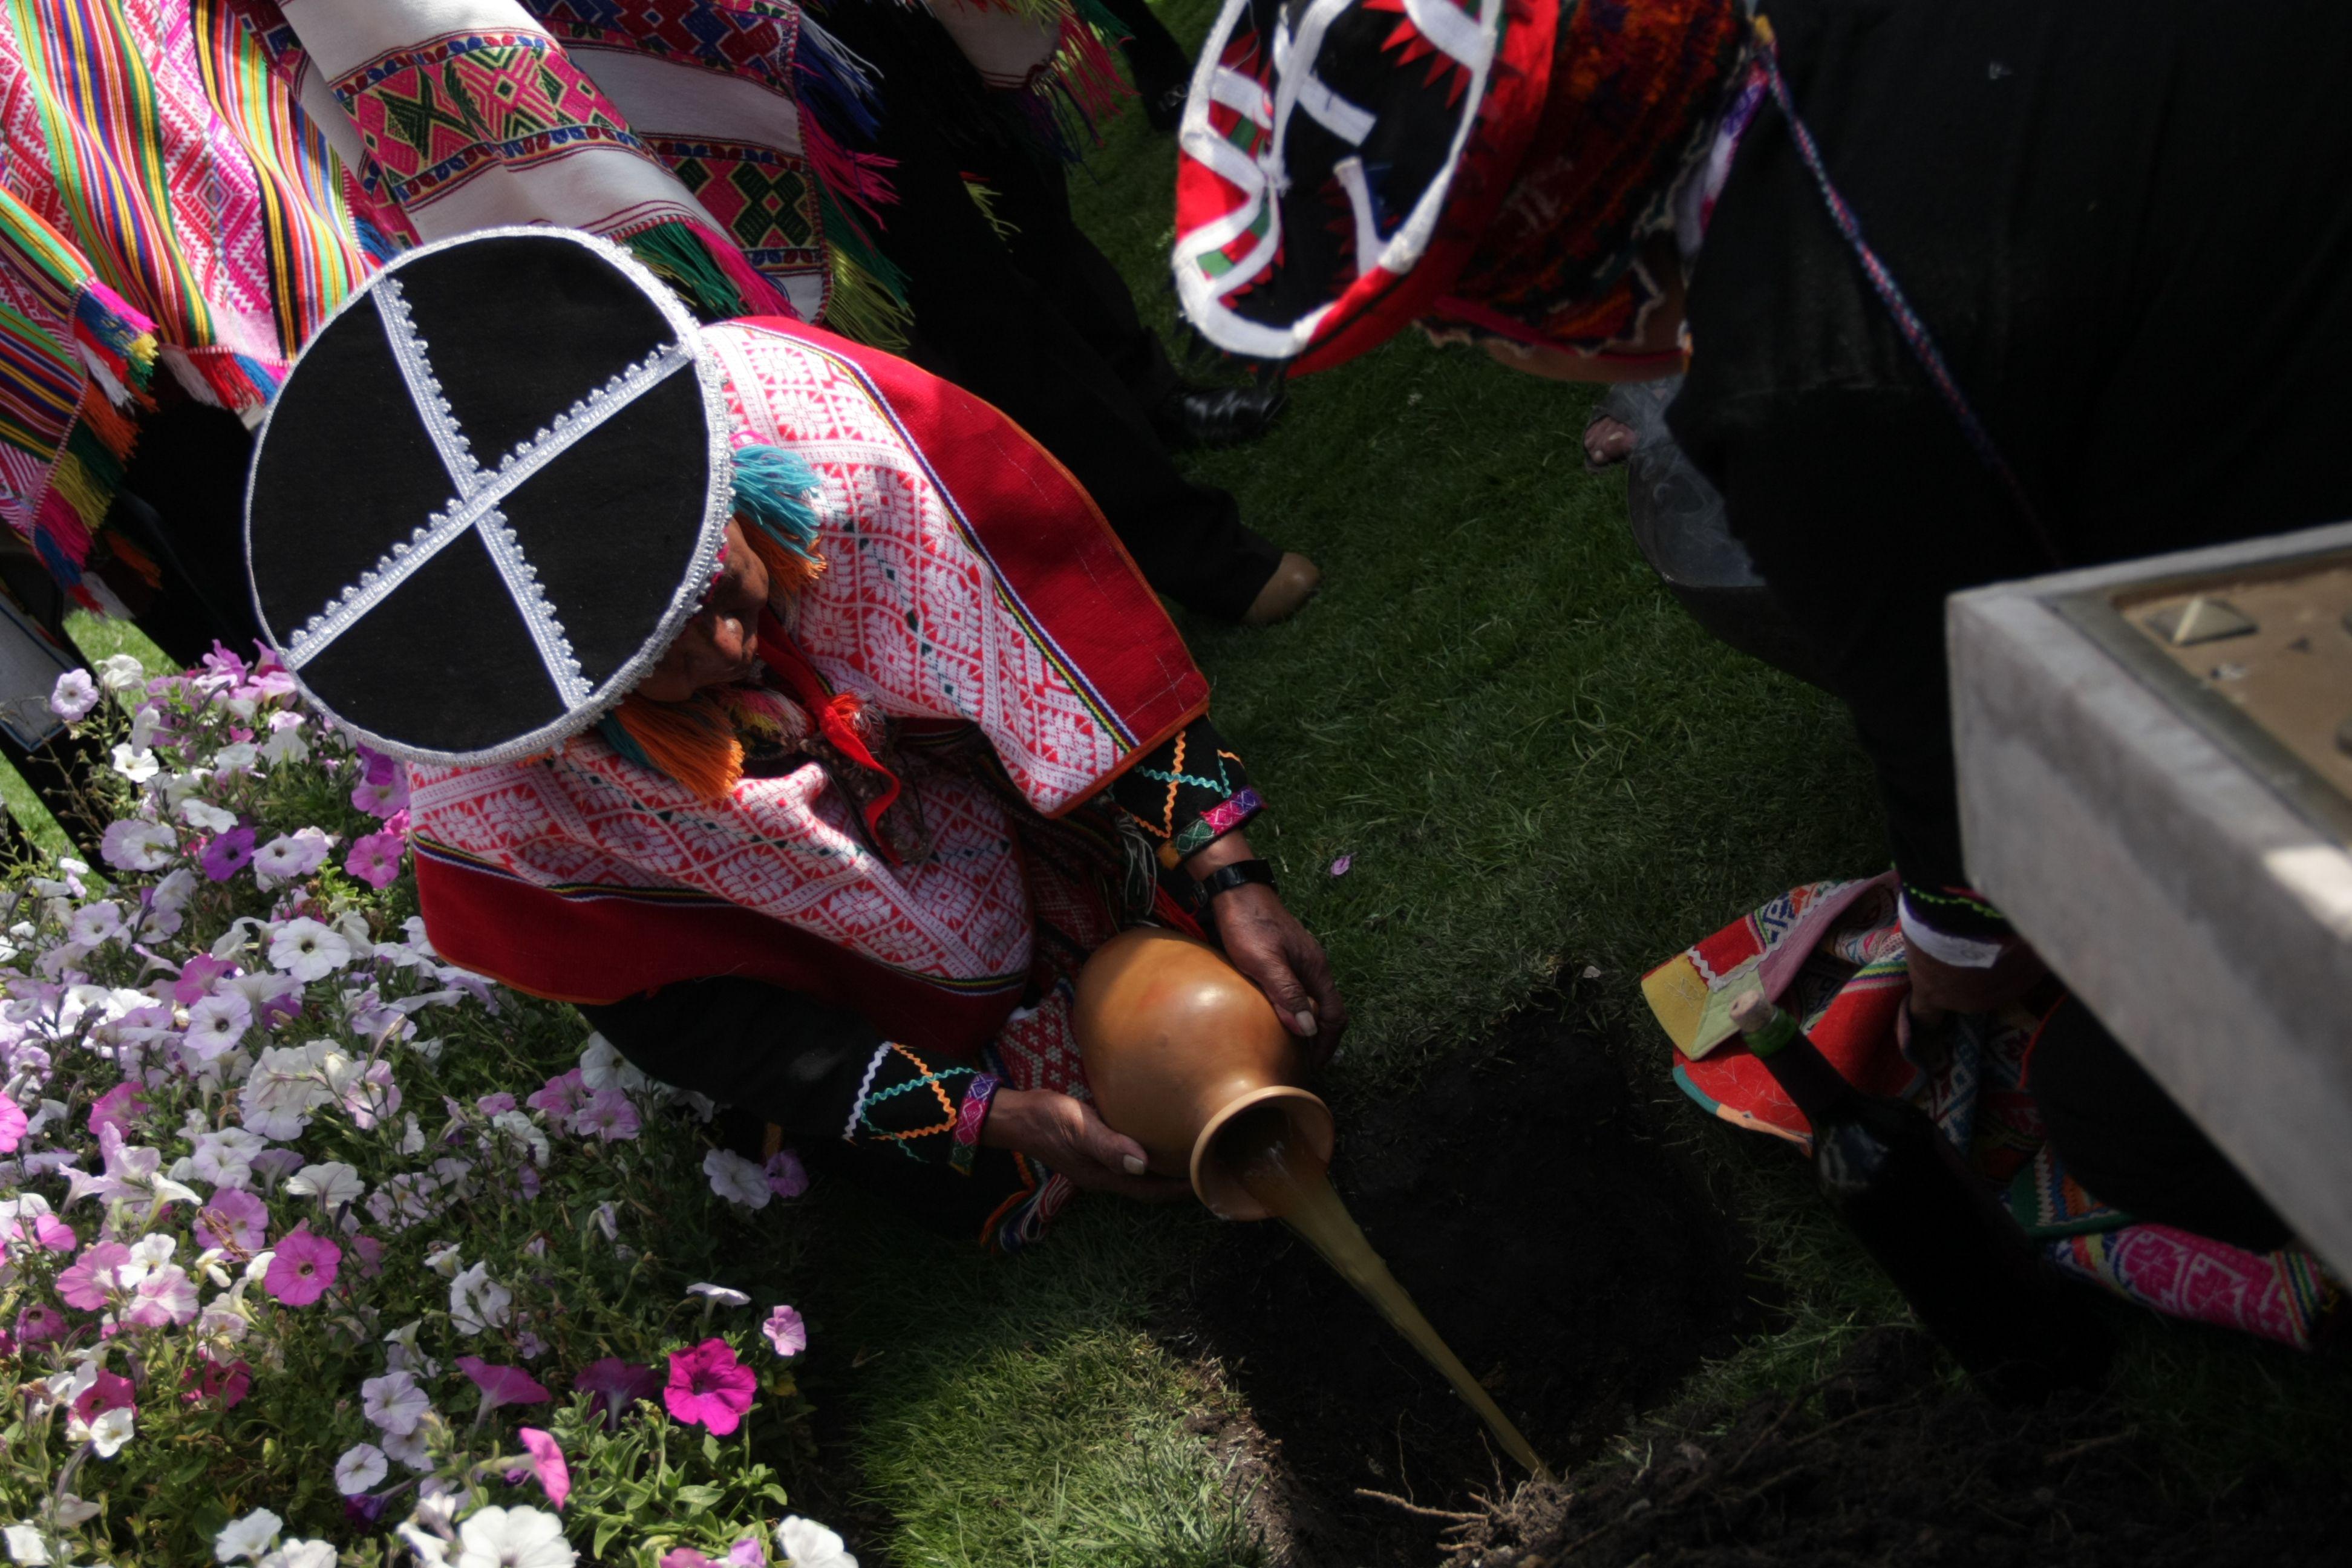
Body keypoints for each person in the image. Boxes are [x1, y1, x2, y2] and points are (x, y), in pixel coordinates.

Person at [1168, 0, 2350, 1265]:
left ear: (1554, 287)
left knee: (2128, 1117)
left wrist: (1949, 959)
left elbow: (1961, 746)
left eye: (1459, 326)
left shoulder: (1809, 374)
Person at [242, 228, 1345, 1249]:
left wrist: (1224, 861)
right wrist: (985, 1115)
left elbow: (1050, 626)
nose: (727, 648)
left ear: (723, 476)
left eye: (717, 584)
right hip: (849, 959)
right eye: (654, 670)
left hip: (987, 768)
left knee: (1198, 991)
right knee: (989, 1153)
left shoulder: (815, 419)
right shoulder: (512, 786)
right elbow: (693, 1019)